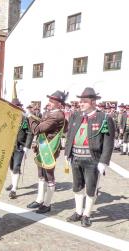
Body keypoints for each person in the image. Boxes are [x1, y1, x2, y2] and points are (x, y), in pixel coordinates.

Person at [64, 87, 115, 227]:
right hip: (75, 158)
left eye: (84, 101)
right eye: (80, 101)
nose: (80, 104)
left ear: (93, 102)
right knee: (77, 186)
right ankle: (78, 211)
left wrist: (103, 161)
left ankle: (87, 214)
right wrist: (67, 154)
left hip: (92, 159)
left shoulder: (104, 118)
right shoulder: (76, 116)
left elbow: (109, 142)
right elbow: (69, 136)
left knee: (91, 188)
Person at [26, 91, 68, 214]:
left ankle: (47, 203)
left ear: (58, 104)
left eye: (51, 101)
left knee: (49, 175)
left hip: (50, 148)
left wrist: (29, 116)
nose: (48, 103)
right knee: (41, 175)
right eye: (49, 100)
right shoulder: (52, 114)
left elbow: (37, 129)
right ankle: (39, 200)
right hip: (43, 147)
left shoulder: (57, 115)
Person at [5, 98, 33, 199]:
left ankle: (14, 190)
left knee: (16, 167)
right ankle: (13, 183)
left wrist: (26, 147)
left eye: (16, 106)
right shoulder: (7, 117)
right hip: (9, 146)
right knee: (11, 167)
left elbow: (29, 133)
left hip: (19, 146)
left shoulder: (24, 119)